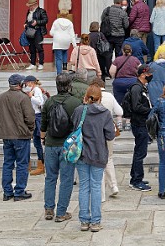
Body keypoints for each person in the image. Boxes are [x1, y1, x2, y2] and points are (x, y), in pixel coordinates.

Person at [73, 84, 116, 232]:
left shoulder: (79, 111)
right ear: (100, 98)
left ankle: (84, 221)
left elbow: (73, 127)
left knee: (84, 187)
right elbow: (110, 135)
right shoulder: (104, 113)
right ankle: (96, 221)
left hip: (82, 153)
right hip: (98, 153)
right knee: (96, 187)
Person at [41, 74, 82, 222]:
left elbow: (43, 125)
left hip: (51, 143)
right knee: (66, 179)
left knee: (50, 178)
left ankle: (49, 209)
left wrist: (42, 139)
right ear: (69, 85)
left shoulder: (49, 102)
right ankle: (61, 212)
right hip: (68, 145)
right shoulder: (76, 102)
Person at [0, 73, 35, 201]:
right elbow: (29, 117)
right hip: (20, 135)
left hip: (7, 134)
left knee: (8, 163)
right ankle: (19, 191)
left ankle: (7, 191)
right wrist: (30, 129)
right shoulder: (23, 98)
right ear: (20, 84)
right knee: (22, 163)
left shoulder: (0, 97)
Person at [94, 78, 123, 202]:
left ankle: (102, 194)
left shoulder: (91, 95)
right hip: (109, 128)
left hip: (95, 130)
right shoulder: (109, 96)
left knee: (98, 161)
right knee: (109, 158)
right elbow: (119, 111)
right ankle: (113, 185)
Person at [128, 65, 153, 192]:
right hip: (139, 123)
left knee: (139, 151)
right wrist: (150, 110)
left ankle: (135, 177)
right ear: (143, 75)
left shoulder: (140, 87)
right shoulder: (137, 88)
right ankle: (137, 180)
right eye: (148, 74)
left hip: (141, 123)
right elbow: (136, 106)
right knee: (140, 152)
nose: (150, 76)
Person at [111, 44, 140, 129]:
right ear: (131, 51)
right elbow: (141, 70)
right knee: (130, 101)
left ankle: (119, 121)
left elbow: (111, 71)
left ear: (123, 51)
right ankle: (128, 122)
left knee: (118, 102)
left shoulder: (117, 60)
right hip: (132, 83)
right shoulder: (135, 60)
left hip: (119, 83)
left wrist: (115, 78)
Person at [24, 76, 47, 176]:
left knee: (38, 141)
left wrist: (31, 97)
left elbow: (40, 102)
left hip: (37, 116)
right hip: (32, 115)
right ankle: (37, 163)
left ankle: (41, 164)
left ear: (30, 83)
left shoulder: (36, 90)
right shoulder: (34, 90)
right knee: (35, 142)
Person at [25, 0, 49, 70]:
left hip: (38, 31)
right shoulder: (29, 12)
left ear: (35, 5)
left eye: (31, 5)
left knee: (39, 48)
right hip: (30, 31)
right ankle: (33, 63)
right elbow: (27, 20)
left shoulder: (41, 11)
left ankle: (41, 63)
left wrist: (37, 22)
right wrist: (25, 24)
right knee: (32, 48)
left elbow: (45, 20)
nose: (30, 7)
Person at [50, 10, 77, 74]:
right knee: (65, 51)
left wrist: (56, 34)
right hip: (66, 40)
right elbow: (72, 34)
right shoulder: (70, 23)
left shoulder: (56, 22)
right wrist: (74, 45)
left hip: (58, 40)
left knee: (58, 58)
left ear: (60, 14)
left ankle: (59, 73)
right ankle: (65, 65)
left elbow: (51, 32)